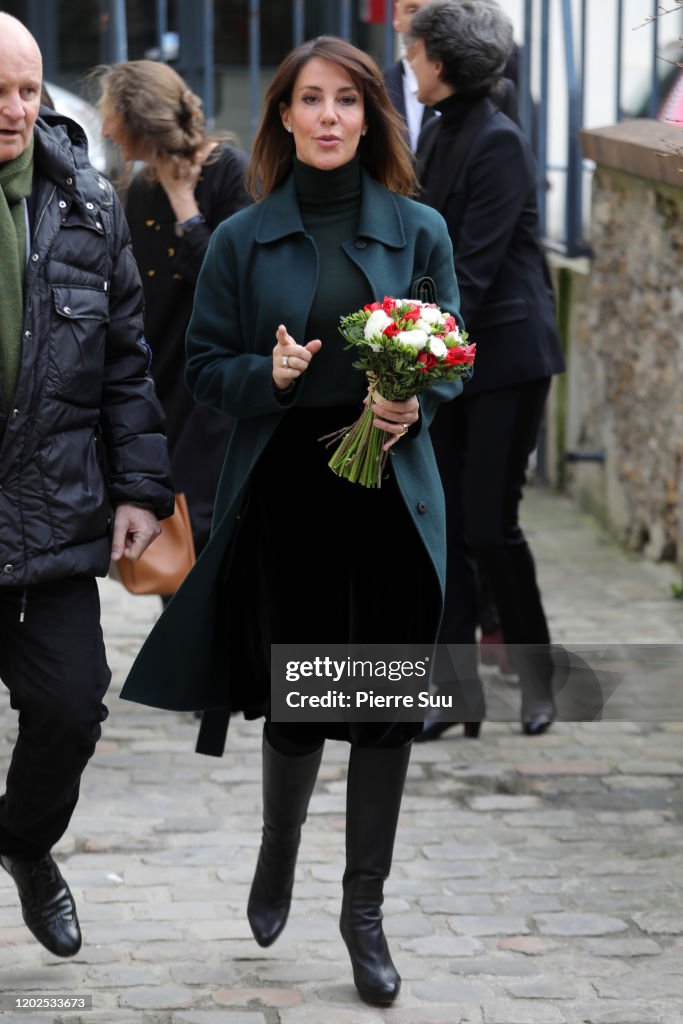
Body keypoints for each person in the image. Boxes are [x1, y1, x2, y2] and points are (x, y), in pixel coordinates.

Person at [120, 35, 465, 1005]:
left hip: (390, 497)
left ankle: (364, 912)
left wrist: (414, 402)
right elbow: (204, 372)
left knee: (386, 712)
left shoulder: (417, 229)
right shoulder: (239, 240)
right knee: (304, 702)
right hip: (286, 495)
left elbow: (452, 353)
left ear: (369, 116)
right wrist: (265, 377)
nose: (326, 117)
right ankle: (277, 852)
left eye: (345, 102)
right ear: (281, 115)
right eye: (308, 100)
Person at [0, 14, 173, 957]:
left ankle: (24, 844)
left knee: (70, 708)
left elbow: (125, 366)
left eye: (27, 89)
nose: (16, 109)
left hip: (50, 511)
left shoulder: (89, 206)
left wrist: (140, 489)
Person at [407, 0, 565, 739]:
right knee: (443, 525)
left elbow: (471, 263)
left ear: (441, 62)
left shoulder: (498, 141)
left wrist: (410, 348)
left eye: (414, 53)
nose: (406, 63)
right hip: (451, 354)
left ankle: (538, 679)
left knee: (488, 525)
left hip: (504, 357)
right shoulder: (439, 130)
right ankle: (454, 693)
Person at [98, 61, 251, 570]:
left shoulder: (232, 172)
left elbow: (235, 288)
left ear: (140, 119)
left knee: (208, 544)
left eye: (111, 113)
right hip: (162, 395)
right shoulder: (137, 190)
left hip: (215, 398)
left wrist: (186, 209)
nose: (104, 127)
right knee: (169, 550)